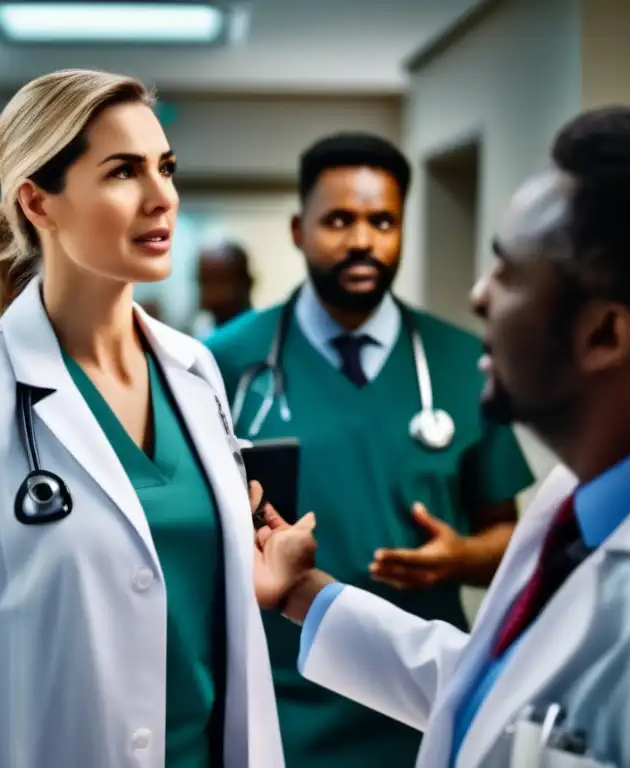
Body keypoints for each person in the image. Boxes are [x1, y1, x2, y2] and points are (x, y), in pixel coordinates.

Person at [0, 68, 285, 768]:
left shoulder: (195, 372)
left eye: (166, 169)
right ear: (38, 202)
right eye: (124, 172)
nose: (163, 199)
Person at [256, 105, 630, 768]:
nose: (478, 296)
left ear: (604, 334)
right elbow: (492, 692)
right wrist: (304, 594)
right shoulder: (571, 511)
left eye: (510, 272)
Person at [206, 132, 534, 766]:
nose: (362, 240)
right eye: (339, 221)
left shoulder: (465, 362)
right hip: (278, 706)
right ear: (299, 230)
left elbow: (507, 539)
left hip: (425, 710)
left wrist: (462, 556)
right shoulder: (223, 362)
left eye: (382, 221)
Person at [191, 241, 254, 339]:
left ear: (246, 282)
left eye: (220, 282)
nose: (212, 295)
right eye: (204, 282)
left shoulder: (264, 336)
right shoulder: (200, 334)